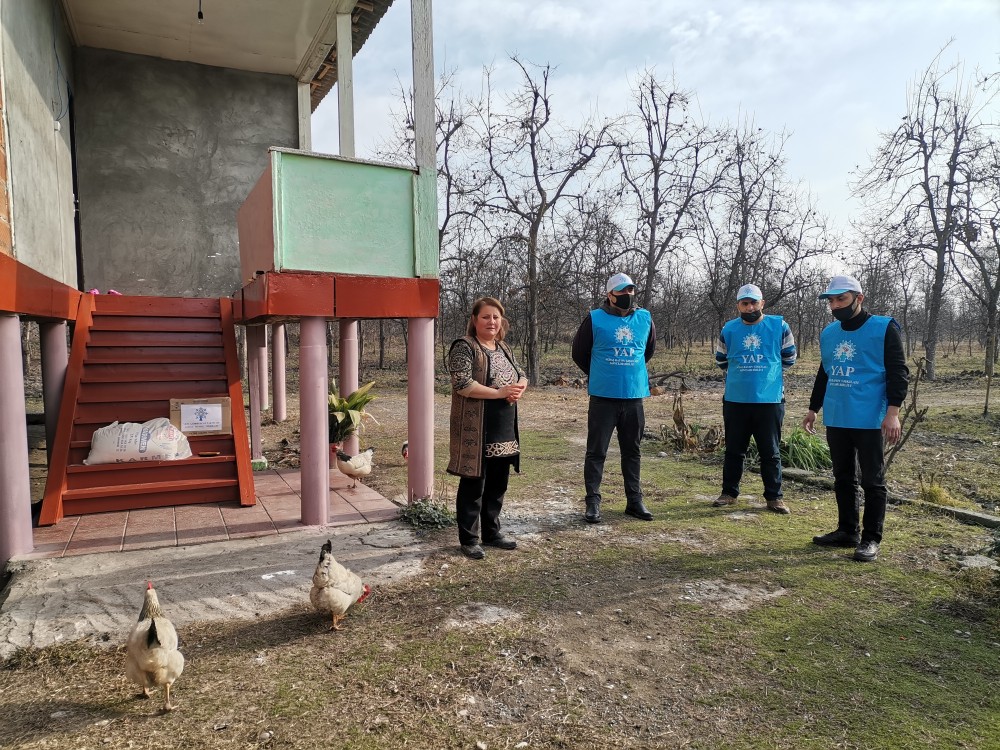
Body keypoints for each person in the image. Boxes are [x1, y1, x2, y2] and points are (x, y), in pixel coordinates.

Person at [803, 275, 908, 563]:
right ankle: (847, 530)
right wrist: (814, 408)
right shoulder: (829, 333)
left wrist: (893, 413)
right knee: (843, 477)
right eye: (831, 301)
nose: (835, 305)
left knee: (873, 480)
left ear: (858, 298)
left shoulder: (883, 328)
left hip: (871, 417)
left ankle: (871, 538)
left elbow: (898, 372)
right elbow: (825, 372)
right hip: (838, 415)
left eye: (841, 299)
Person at [447, 297, 528, 560]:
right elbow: (463, 384)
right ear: (474, 320)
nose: (491, 322)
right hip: (476, 426)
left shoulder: (503, 347)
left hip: (503, 428)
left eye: (495, 317)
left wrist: (519, 388)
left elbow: (521, 373)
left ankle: (492, 533)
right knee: (474, 484)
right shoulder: (464, 346)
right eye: (485, 317)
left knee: (497, 483)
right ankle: (469, 539)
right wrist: (499, 392)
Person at [572, 272, 656, 524]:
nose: (627, 296)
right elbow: (579, 353)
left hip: (633, 396)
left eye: (630, 291)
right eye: (621, 292)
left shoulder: (645, 319)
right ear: (609, 295)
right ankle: (593, 502)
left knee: (632, 451)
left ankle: (634, 500)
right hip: (603, 398)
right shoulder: (594, 319)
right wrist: (601, 372)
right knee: (596, 452)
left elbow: (647, 351)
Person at [713, 283, 797, 514]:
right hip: (736, 399)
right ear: (738, 305)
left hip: (769, 400)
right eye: (744, 303)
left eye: (753, 302)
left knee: (770, 451)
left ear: (762, 303)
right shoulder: (729, 329)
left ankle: (774, 497)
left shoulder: (779, 326)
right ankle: (729, 492)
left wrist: (766, 375)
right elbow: (721, 359)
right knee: (734, 449)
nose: (750, 307)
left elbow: (789, 358)